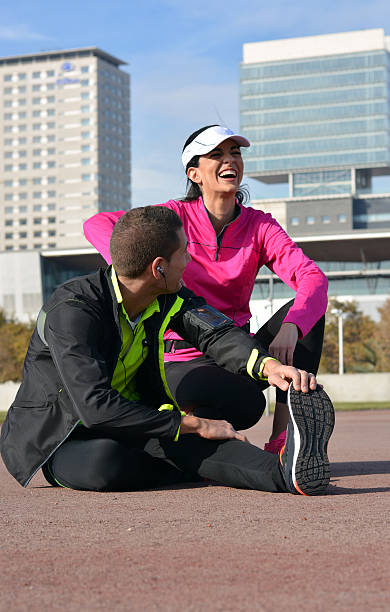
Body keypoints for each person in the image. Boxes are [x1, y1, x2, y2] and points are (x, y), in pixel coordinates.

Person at [0, 207, 334, 496]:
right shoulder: (73, 309)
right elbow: (95, 407)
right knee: (111, 461)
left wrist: (268, 366)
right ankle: (192, 466)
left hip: (135, 420)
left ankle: (286, 473)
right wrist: (193, 424)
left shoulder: (168, 296)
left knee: (184, 439)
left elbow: (215, 333)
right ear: (159, 267)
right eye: (184, 253)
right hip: (64, 435)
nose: (189, 260)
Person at [83, 125, 328, 453]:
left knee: (308, 317)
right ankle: (193, 436)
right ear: (194, 173)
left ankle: (284, 441)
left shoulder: (260, 225)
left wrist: (291, 327)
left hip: (237, 350)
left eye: (235, 153)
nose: (230, 160)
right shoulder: (172, 217)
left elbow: (312, 278)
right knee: (240, 402)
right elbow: (97, 224)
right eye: (217, 154)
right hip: (179, 358)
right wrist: (148, 269)